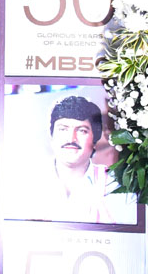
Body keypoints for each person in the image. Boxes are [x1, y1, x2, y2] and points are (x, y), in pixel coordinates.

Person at [14, 95, 134, 224]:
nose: (71, 139)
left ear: (95, 139)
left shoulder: (116, 185)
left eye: (82, 130)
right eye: (63, 129)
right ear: (52, 136)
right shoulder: (24, 183)